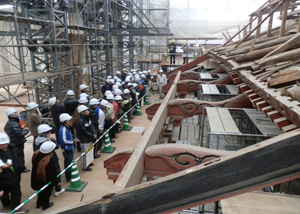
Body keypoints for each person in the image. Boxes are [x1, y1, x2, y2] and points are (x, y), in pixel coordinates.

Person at [34, 124, 65, 197]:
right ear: (45, 133)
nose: (50, 133)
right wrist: (53, 139)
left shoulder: (37, 140)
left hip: (44, 160)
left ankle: (53, 186)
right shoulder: (46, 142)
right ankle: (58, 189)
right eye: (49, 132)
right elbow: (56, 146)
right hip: (51, 159)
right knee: (56, 173)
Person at [0, 133, 28, 213]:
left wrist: (19, 167)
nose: (4, 146)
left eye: (5, 144)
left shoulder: (12, 148)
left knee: (16, 192)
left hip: (15, 176)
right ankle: (6, 203)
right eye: (1, 145)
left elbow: (18, 157)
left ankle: (15, 207)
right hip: (3, 179)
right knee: (4, 194)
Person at [31, 141, 59, 211]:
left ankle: (38, 204)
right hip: (45, 181)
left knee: (39, 192)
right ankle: (45, 205)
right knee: (46, 193)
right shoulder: (49, 160)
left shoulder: (36, 153)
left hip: (36, 178)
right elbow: (52, 174)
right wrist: (56, 183)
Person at [4, 108, 30, 173]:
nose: (17, 114)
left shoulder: (9, 123)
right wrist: (26, 131)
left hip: (13, 142)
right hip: (17, 142)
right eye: (16, 113)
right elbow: (19, 134)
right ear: (12, 115)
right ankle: (21, 169)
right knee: (20, 156)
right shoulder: (14, 124)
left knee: (16, 156)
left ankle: (18, 168)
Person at [75, 105, 96, 171]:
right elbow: (83, 131)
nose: (88, 111)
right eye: (86, 110)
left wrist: (94, 133)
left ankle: (88, 163)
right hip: (84, 140)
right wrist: (92, 136)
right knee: (85, 154)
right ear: (82, 112)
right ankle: (84, 166)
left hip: (89, 138)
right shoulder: (80, 121)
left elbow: (91, 126)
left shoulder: (87, 118)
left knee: (89, 152)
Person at [58, 113, 78, 182]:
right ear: (65, 122)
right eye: (69, 121)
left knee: (70, 162)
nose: (71, 122)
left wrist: (73, 137)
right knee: (68, 163)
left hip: (70, 148)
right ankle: (68, 177)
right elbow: (63, 140)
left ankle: (70, 174)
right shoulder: (63, 129)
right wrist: (73, 141)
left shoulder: (67, 128)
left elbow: (69, 135)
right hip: (67, 149)